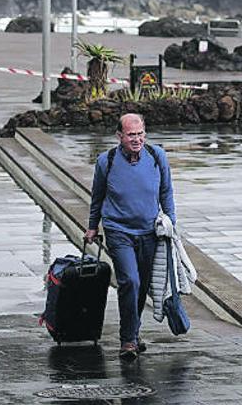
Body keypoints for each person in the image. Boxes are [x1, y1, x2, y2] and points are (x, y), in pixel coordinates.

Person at [85, 113, 176, 361]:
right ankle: (127, 340)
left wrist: (171, 223)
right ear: (119, 136)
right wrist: (93, 226)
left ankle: (134, 333)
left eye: (140, 134)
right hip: (118, 231)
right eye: (130, 135)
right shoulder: (107, 161)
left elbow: (166, 191)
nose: (136, 139)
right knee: (130, 282)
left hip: (149, 232)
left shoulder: (157, 157)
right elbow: (98, 197)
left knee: (142, 286)